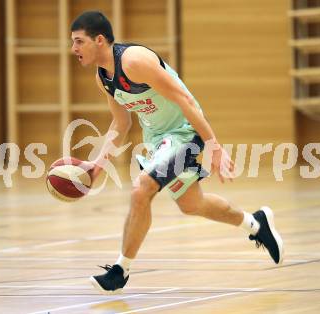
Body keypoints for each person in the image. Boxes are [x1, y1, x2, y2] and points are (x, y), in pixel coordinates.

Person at [70, 11, 284, 294]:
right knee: (192, 204)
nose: (73, 49)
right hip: (160, 140)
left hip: (184, 132)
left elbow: (184, 99)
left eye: (78, 41)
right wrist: (98, 164)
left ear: (99, 40)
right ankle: (256, 224)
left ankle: (121, 270)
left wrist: (214, 146)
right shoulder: (103, 77)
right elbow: (122, 122)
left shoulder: (133, 61)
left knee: (141, 189)